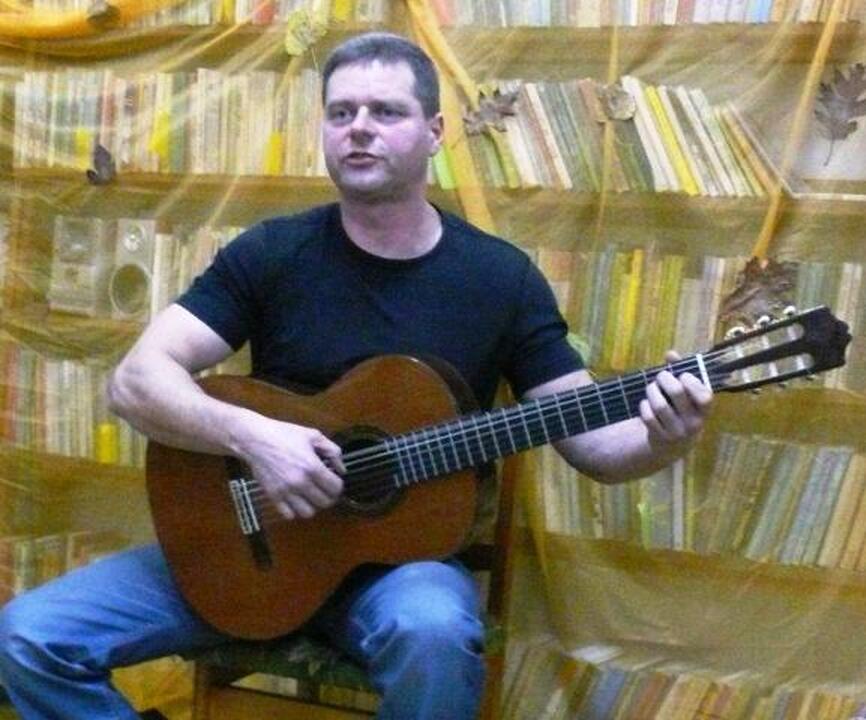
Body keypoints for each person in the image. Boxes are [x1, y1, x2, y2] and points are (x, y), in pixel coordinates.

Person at [0, 32, 712, 720]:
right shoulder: (271, 253)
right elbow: (136, 382)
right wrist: (254, 438)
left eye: (386, 111)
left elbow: (594, 444)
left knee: (434, 635)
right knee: (28, 637)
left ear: (435, 132)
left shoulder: (501, 279)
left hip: (399, 573)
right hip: (247, 552)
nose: (359, 128)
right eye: (341, 112)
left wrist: (664, 437)